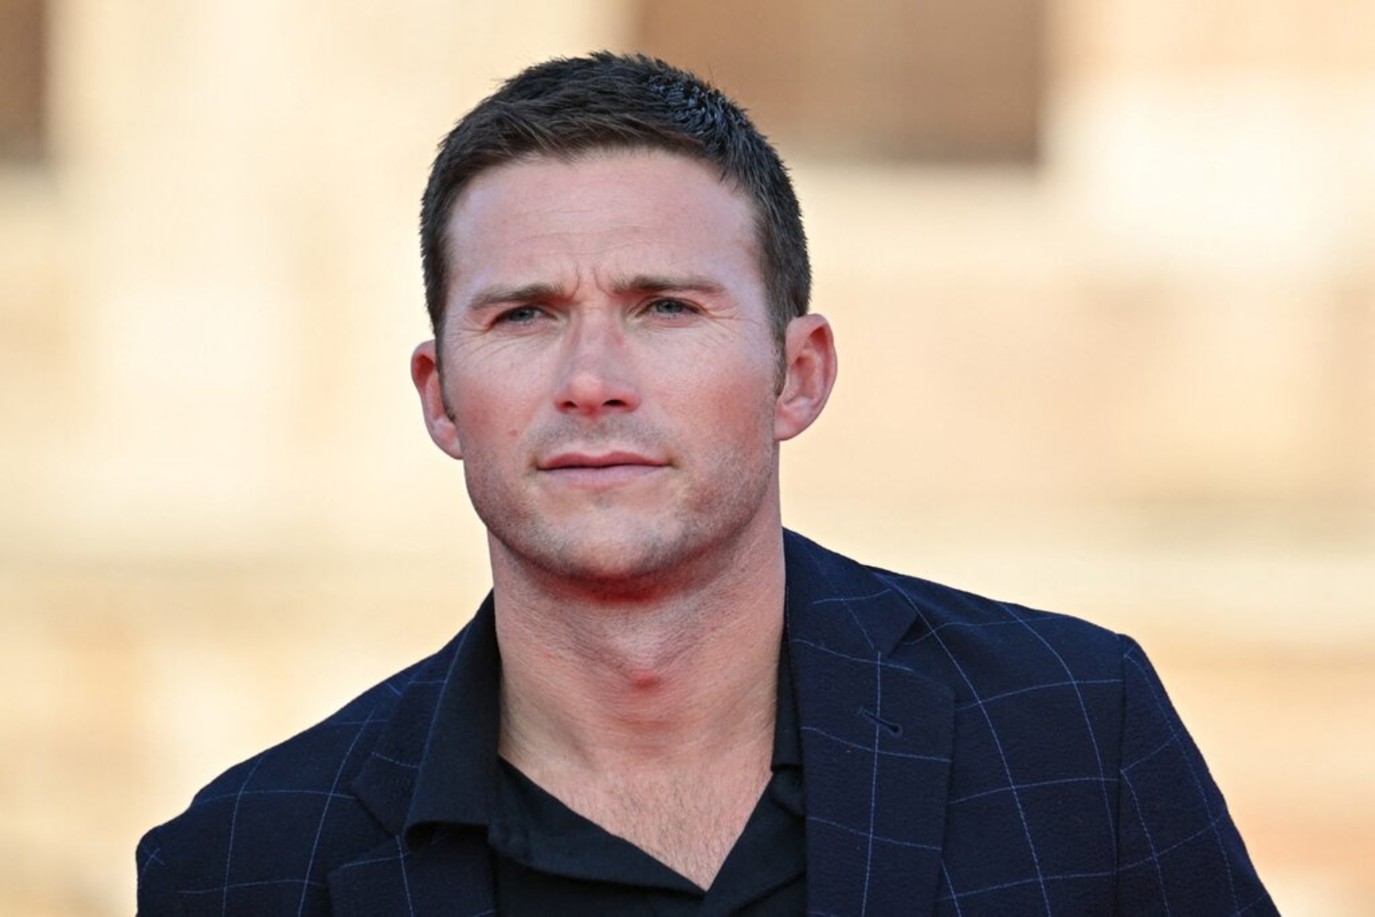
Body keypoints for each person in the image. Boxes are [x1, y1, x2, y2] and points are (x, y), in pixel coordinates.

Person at [136, 52, 1275, 915]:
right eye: (524, 314)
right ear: (441, 397)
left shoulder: (1072, 732)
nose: (591, 380)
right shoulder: (246, 864)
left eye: (666, 307)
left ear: (797, 374)